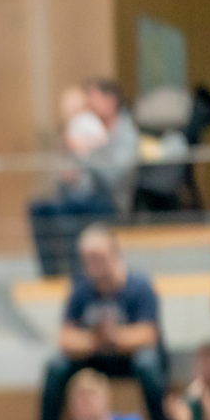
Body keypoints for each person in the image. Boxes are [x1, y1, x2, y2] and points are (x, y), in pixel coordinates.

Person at [37, 224, 169, 420]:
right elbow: (65, 337)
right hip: (96, 358)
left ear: (115, 254)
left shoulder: (140, 287)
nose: (93, 264)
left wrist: (113, 337)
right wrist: (97, 341)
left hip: (128, 360)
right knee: (55, 366)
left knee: (148, 363)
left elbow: (148, 335)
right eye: (87, 258)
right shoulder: (81, 290)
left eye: (97, 256)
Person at [28, 79, 139, 276]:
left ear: (110, 101)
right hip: (84, 197)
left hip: (111, 202)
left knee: (70, 212)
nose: (89, 106)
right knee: (39, 209)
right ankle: (51, 274)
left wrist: (82, 154)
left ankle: (76, 274)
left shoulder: (126, 133)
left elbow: (114, 177)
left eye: (92, 100)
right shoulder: (89, 127)